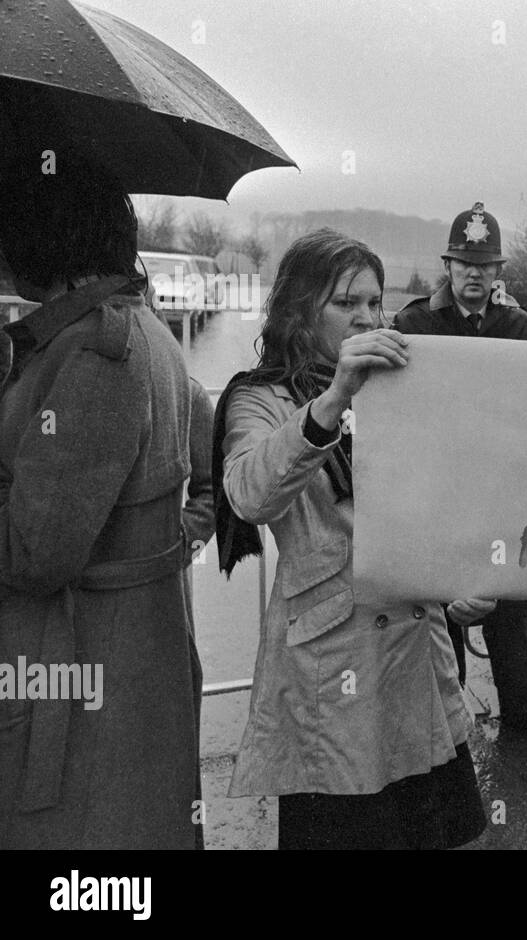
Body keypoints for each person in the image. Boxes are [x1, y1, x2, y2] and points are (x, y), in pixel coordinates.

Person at [214, 228, 490, 849]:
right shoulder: (259, 396)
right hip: (333, 666)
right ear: (298, 312)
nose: (367, 317)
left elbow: (436, 509)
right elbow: (250, 495)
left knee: (436, 834)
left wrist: (463, 584)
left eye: (374, 301)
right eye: (346, 303)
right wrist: (334, 398)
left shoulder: (404, 388)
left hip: (418, 654)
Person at [0, 152, 202, 848]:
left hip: (83, 667)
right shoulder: (143, 333)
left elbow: (36, 552)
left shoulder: (94, 353)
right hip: (136, 657)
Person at [394, 203, 527, 746]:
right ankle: (447, 721)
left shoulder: (519, 326)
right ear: (448, 265)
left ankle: (524, 714)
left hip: (501, 485)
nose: (475, 274)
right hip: (440, 487)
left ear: (499, 273)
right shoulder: (413, 322)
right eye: (465, 264)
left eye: (485, 266)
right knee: (442, 605)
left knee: (513, 605)